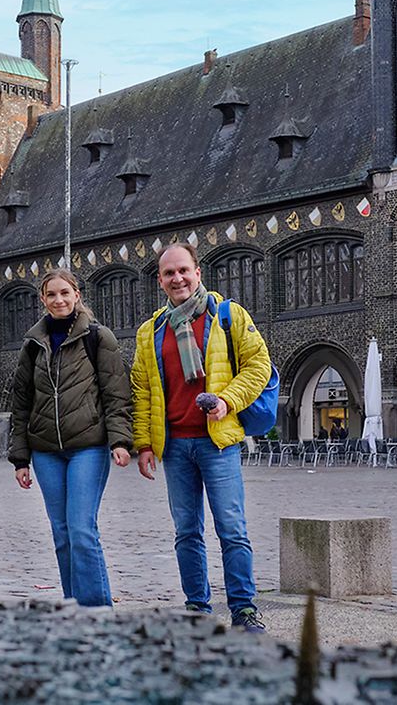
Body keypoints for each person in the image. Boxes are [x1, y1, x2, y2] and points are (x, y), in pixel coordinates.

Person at [130, 242, 271, 632]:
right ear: (160, 281)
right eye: (169, 273)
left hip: (217, 442)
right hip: (175, 445)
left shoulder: (227, 315)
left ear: (197, 273)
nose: (177, 278)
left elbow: (259, 365)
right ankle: (197, 608)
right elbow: (141, 390)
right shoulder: (150, 332)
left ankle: (243, 609)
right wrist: (144, 444)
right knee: (187, 532)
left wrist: (227, 400)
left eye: (183, 270)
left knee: (231, 528)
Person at [7, 269, 132, 607]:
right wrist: (20, 458)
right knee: (62, 534)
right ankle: (73, 608)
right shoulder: (33, 344)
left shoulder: (98, 337)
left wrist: (120, 441)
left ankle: (96, 611)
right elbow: (21, 403)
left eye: (65, 292)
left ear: (77, 294)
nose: (59, 299)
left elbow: (116, 393)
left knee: (81, 530)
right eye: (51, 294)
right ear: (42, 299)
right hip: (45, 450)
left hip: (87, 447)